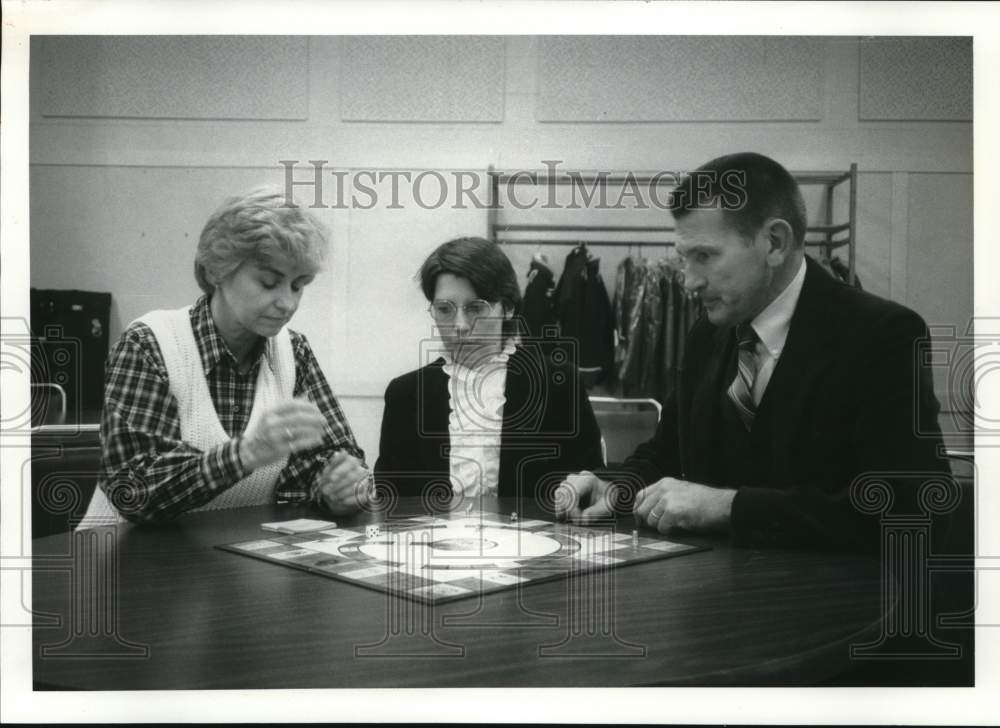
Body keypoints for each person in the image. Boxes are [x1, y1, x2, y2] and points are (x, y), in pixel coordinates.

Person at [556, 152, 949, 550]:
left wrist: (731, 507)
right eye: (683, 259)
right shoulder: (705, 336)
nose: (689, 281)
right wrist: (616, 487)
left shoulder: (882, 335)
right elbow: (667, 454)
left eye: (704, 256)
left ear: (774, 243)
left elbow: (911, 505)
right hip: (710, 598)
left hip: (834, 604)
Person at [80, 187, 370, 526]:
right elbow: (133, 491)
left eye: (297, 285)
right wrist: (245, 453)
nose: (287, 303)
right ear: (217, 270)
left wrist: (340, 485)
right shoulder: (148, 344)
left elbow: (327, 458)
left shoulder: (295, 352)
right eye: (268, 283)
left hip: (219, 562)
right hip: (120, 560)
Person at [374, 237, 603, 510]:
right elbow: (391, 503)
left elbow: (593, 487)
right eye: (445, 309)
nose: (459, 325)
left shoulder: (558, 383)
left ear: (507, 307)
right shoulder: (405, 394)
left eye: (475, 308)